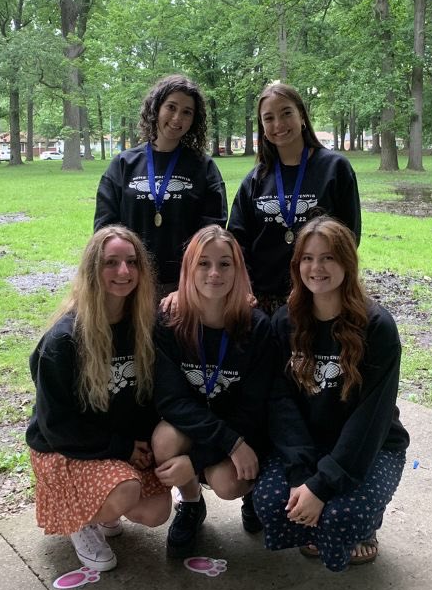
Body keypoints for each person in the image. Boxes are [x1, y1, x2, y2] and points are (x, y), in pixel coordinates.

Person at [252, 217, 409, 572]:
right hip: (310, 441)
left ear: (347, 263)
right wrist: (301, 477)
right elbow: (280, 403)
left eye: (328, 258)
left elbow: (371, 419)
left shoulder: (377, 327)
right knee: (272, 503)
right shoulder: (285, 322)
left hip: (370, 446)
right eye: (307, 258)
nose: (316, 268)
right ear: (297, 265)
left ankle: (364, 528)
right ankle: (316, 524)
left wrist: (322, 486)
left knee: (342, 516)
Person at [26, 225, 171, 572]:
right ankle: (80, 520)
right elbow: (57, 426)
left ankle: (101, 505)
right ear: (92, 269)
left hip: (114, 443)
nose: (124, 271)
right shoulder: (63, 340)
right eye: (111, 262)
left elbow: (148, 399)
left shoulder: (144, 326)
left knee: (157, 511)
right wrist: (122, 449)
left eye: (132, 262)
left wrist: (141, 443)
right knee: (126, 489)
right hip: (63, 448)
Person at [152, 225, 275, 556]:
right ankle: (191, 504)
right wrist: (222, 446)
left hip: (240, 428)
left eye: (224, 264)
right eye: (203, 263)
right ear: (188, 269)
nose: (214, 273)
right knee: (164, 440)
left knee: (228, 483)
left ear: (238, 270)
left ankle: (252, 493)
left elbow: (255, 408)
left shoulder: (256, 326)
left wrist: (201, 458)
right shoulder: (169, 321)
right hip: (197, 426)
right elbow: (171, 400)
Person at [228, 81, 361, 315]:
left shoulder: (335, 169)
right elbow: (237, 242)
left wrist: (320, 286)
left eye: (286, 113)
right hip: (264, 300)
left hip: (318, 296)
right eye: (269, 118)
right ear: (262, 126)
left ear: (301, 115)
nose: (278, 124)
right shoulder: (255, 180)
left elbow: (349, 236)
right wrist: (244, 288)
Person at [94, 75, 227, 296]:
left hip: (184, 287)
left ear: (194, 120)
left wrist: (188, 284)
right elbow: (104, 229)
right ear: (156, 108)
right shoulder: (124, 164)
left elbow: (212, 233)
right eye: (171, 107)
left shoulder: (203, 167)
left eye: (187, 112)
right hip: (130, 284)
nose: (177, 118)